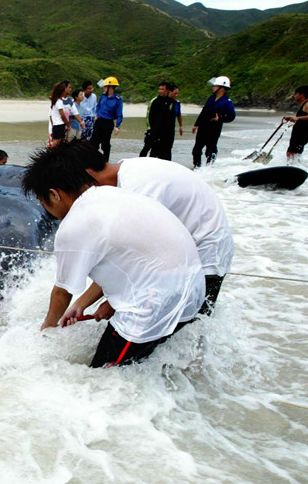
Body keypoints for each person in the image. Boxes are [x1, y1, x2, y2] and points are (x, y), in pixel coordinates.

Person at [22, 141, 204, 368]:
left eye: (43, 202)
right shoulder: (116, 194)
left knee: (103, 378)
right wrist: (81, 305)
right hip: (192, 288)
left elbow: (62, 292)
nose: (46, 210)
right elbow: (127, 260)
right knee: (147, 366)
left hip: (155, 305)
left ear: (54, 195)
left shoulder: (75, 223)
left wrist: (45, 331)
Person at [77, 141, 233, 315]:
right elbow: (126, 259)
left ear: (88, 174)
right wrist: (81, 304)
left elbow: (142, 258)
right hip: (188, 251)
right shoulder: (127, 171)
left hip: (205, 256)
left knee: (192, 322)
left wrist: (113, 303)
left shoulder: (140, 191)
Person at [191, 76, 236, 168]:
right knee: (196, 149)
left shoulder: (227, 102)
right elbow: (204, 111)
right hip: (203, 126)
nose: (213, 87)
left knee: (210, 150)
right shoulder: (211, 98)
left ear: (222, 88)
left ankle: (209, 168)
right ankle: (197, 167)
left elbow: (231, 116)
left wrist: (220, 119)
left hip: (214, 129)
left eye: (215, 86)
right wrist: (196, 124)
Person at [92, 77, 123, 161]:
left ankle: (105, 161)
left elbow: (119, 114)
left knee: (105, 144)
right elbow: (98, 106)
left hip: (108, 123)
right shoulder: (103, 96)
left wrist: (117, 126)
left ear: (111, 87)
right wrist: (96, 113)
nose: (104, 88)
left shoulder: (117, 100)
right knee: (94, 143)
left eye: (105, 86)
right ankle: (94, 161)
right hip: (99, 122)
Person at [284, 85, 308, 163]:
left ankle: (291, 167)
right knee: (293, 154)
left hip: (302, 133)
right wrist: (293, 119)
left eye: (296, 94)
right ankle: (294, 166)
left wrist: (298, 118)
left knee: (291, 153)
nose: (295, 96)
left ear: (302, 95)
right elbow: (303, 119)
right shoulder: (303, 104)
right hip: (299, 133)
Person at [139, 83, 169, 157]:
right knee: (146, 148)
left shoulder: (169, 101)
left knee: (156, 150)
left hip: (162, 131)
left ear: (167, 90)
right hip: (152, 130)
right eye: (159, 89)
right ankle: (140, 161)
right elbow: (148, 116)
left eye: (162, 89)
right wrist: (150, 129)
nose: (160, 91)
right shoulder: (154, 101)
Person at [49, 81, 71, 146]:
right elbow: (63, 116)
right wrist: (68, 125)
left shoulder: (55, 102)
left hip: (56, 125)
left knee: (57, 143)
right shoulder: (59, 102)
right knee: (57, 143)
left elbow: (51, 117)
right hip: (59, 125)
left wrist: (53, 124)